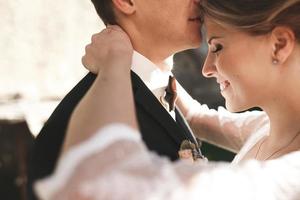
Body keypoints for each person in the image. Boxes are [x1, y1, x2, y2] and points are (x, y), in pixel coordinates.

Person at [34, 0, 300, 199]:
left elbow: (100, 180)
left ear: (279, 45)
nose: (206, 68)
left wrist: (115, 61)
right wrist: (156, 71)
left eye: (217, 46)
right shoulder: (266, 128)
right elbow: (197, 116)